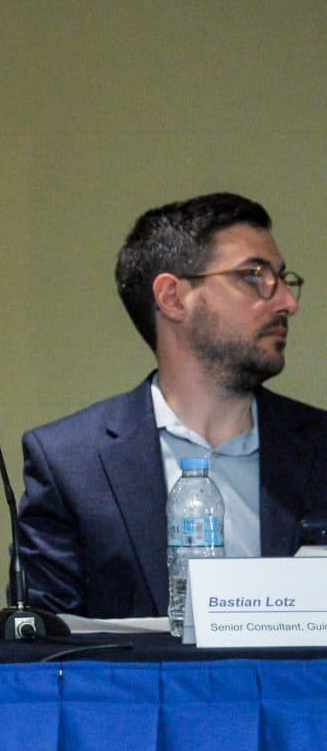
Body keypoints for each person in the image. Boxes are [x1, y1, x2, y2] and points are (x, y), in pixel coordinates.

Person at [17, 192, 327, 618]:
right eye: (254, 275)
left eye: (282, 278)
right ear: (173, 297)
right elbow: (47, 644)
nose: (288, 302)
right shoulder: (71, 465)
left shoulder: (321, 449)